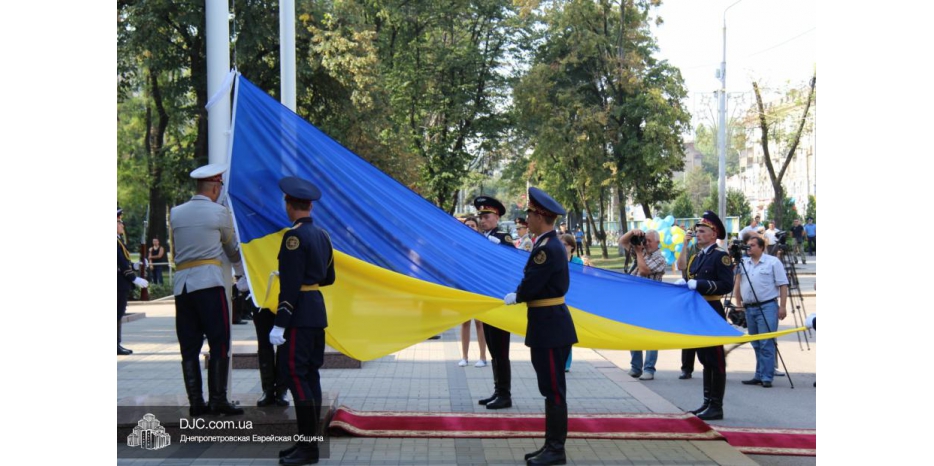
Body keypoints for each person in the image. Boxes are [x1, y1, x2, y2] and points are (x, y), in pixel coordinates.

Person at [503, 187, 578, 466]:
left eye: (530, 214)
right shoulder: (546, 244)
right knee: (550, 388)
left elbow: (533, 283)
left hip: (549, 326)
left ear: (541, 216)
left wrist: (519, 295)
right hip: (547, 324)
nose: (527, 218)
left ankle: (556, 450)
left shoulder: (547, 248)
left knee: (554, 389)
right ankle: (550, 445)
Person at [170, 164, 250, 416]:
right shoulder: (219, 213)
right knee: (219, 342)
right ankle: (218, 400)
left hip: (183, 287)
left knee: (189, 346)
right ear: (215, 188)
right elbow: (232, 249)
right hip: (209, 284)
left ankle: (196, 403)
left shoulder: (176, 213)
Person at [268, 176, 336, 466]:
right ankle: (308, 443)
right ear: (309, 205)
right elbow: (329, 278)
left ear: (289, 204)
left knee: (297, 377)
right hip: (315, 311)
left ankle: (308, 448)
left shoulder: (293, 237)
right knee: (310, 377)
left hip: (298, 315)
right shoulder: (322, 235)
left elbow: (291, 285)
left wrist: (280, 322)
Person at [675, 211, 734, 420]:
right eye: (697, 231)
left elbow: (727, 285)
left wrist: (699, 284)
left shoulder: (720, 256)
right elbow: (687, 273)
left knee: (715, 359)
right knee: (705, 359)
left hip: (711, 310)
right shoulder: (699, 256)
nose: (697, 234)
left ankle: (716, 405)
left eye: (702, 231)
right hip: (699, 312)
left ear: (713, 234)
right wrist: (687, 284)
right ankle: (707, 401)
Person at [474, 195, 516, 410]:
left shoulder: (503, 237)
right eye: (480, 216)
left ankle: (505, 394)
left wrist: (495, 245)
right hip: (488, 301)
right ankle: (498, 390)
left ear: (497, 217)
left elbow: (511, 260)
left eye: (487, 216)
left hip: (500, 301)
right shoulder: (484, 237)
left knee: (501, 350)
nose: (483, 220)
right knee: (493, 349)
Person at [732, 236, 788, 388]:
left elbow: (783, 285)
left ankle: (767, 377)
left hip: (767, 306)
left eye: (752, 245)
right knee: (756, 343)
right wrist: (738, 304)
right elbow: (738, 282)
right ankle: (759, 374)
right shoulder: (743, 262)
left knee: (766, 342)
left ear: (762, 247)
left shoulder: (773, 262)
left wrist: (782, 306)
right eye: (747, 245)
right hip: (749, 307)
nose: (748, 247)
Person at [619, 229, 666, 381]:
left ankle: (649, 369)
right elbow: (622, 242)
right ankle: (635, 367)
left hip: (651, 300)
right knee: (633, 332)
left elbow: (644, 271)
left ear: (658, 242)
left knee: (650, 335)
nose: (646, 243)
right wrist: (633, 232)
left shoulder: (659, 258)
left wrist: (639, 253)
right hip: (635, 299)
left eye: (649, 241)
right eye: (645, 240)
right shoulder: (642, 251)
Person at [458, 216, 488, 368]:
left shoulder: (482, 245)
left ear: (477, 228)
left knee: (479, 323)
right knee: (464, 322)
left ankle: (482, 356)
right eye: (467, 225)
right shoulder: (459, 245)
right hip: (464, 287)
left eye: (472, 225)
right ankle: (464, 356)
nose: (469, 227)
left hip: (479, 287)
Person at [118, 207, 148, 355]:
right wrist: (133, 277)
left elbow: (124, 261)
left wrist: (136, 266)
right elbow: (121, 264)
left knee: (118, 313)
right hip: (118, 282)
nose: (122, 225)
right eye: (119, 222)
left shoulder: (118, 241)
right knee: (117, 314)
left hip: (121, 281)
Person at [559, 234, 583, 373]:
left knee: (567, 333)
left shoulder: (577, 262)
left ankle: (566, 363)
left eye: (565, 245)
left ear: (572, 247)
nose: (562, 247)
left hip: (573, 302)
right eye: (560, 244)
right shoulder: (555, 259)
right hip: (558, 300)